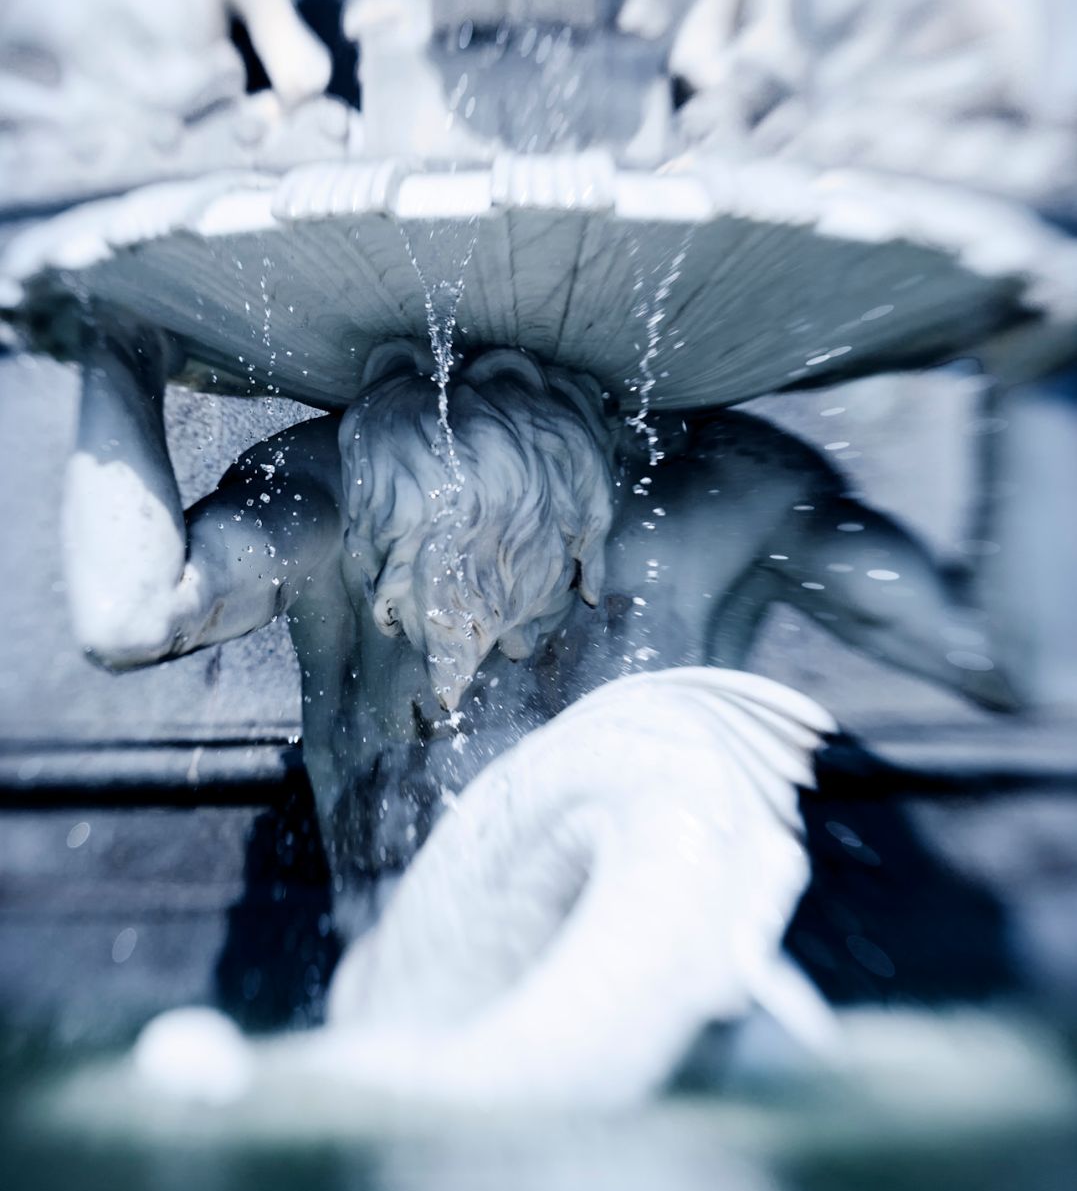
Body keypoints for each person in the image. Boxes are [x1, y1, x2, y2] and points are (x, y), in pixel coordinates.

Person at [63, 320, 1011, 889]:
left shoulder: (725, 500)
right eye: (411, 605)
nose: (470, 655)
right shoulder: (324, 505)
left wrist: (1037, 368)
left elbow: (1010, 663)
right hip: (412, 1066)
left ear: (585, 535)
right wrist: (117, 349)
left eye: (524, 602)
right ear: (371, 545)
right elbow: (127, 617)